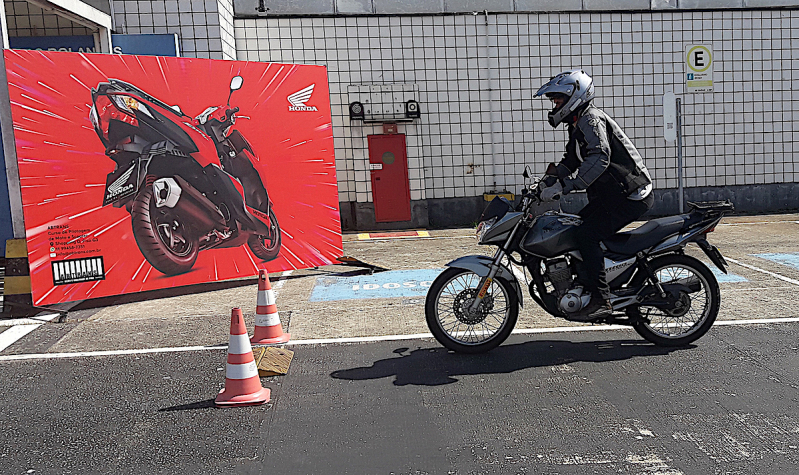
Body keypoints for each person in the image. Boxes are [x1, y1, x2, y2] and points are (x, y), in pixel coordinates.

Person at [534, 69, 654, 318]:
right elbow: (571, 159)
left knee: (587, 234)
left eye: (558, 100)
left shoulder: (591, 120)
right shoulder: (578, 123)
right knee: (574, 226)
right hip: (611, 195)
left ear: (574, 97)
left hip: (630, 195)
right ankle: (587, 282)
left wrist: (566, 187)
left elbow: (599, 158)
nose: (554, 106)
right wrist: (548, 181)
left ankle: (601, 298)